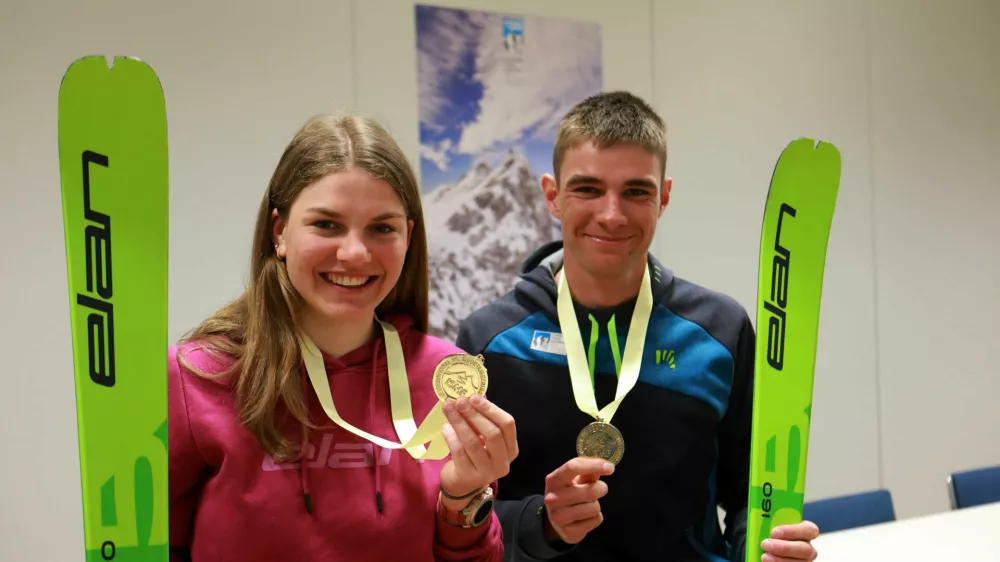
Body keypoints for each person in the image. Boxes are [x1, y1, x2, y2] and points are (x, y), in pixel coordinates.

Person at [455, 91, 820, 562]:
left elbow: (751, 493)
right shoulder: (490, 339)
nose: (611, 214)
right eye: (587, 189)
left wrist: (764, 549)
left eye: (636, 191)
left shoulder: (719, 332)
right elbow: (461, 512)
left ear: (663, 197)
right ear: (553, 196)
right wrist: (540, 522)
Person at [168, 114, 518, 562]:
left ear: (408, 238)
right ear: (280, 233)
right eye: (327, 225)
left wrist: (464, 497)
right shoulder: (197, 376)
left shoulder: (445, 378)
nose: (354, 253)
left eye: (382, 228)